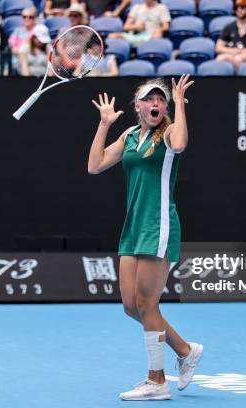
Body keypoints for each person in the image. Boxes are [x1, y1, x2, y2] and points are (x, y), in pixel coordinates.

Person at [87, 76, 202, 401]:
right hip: (134, 226)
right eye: (149, 100)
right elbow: (94, 166)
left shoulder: (167, 133)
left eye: (160, 100)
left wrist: (179, 103)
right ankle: (185, 350)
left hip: (160, 224)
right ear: (137, 106)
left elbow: (179, 144)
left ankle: (157, 381)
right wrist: (104, 124)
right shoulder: (130, 136)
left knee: (146, 303)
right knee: (130, 306)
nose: (156, 104)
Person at [215, 0, 246, 69]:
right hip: (231, 53)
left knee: (239, 59)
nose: (239, 10)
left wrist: (245, 51)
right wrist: (233, 51)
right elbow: (218, 47)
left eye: (242, 8)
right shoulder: (229, 27)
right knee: (221, 58)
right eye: (236, 8)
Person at [9, 7, 45, 73]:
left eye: (30, 17)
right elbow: (14, 51)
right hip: (20, 61)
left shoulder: (39, 31)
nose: (27, 19)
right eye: (24, 17)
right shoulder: (17, 31)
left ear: (35, 18)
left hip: (37, 60)